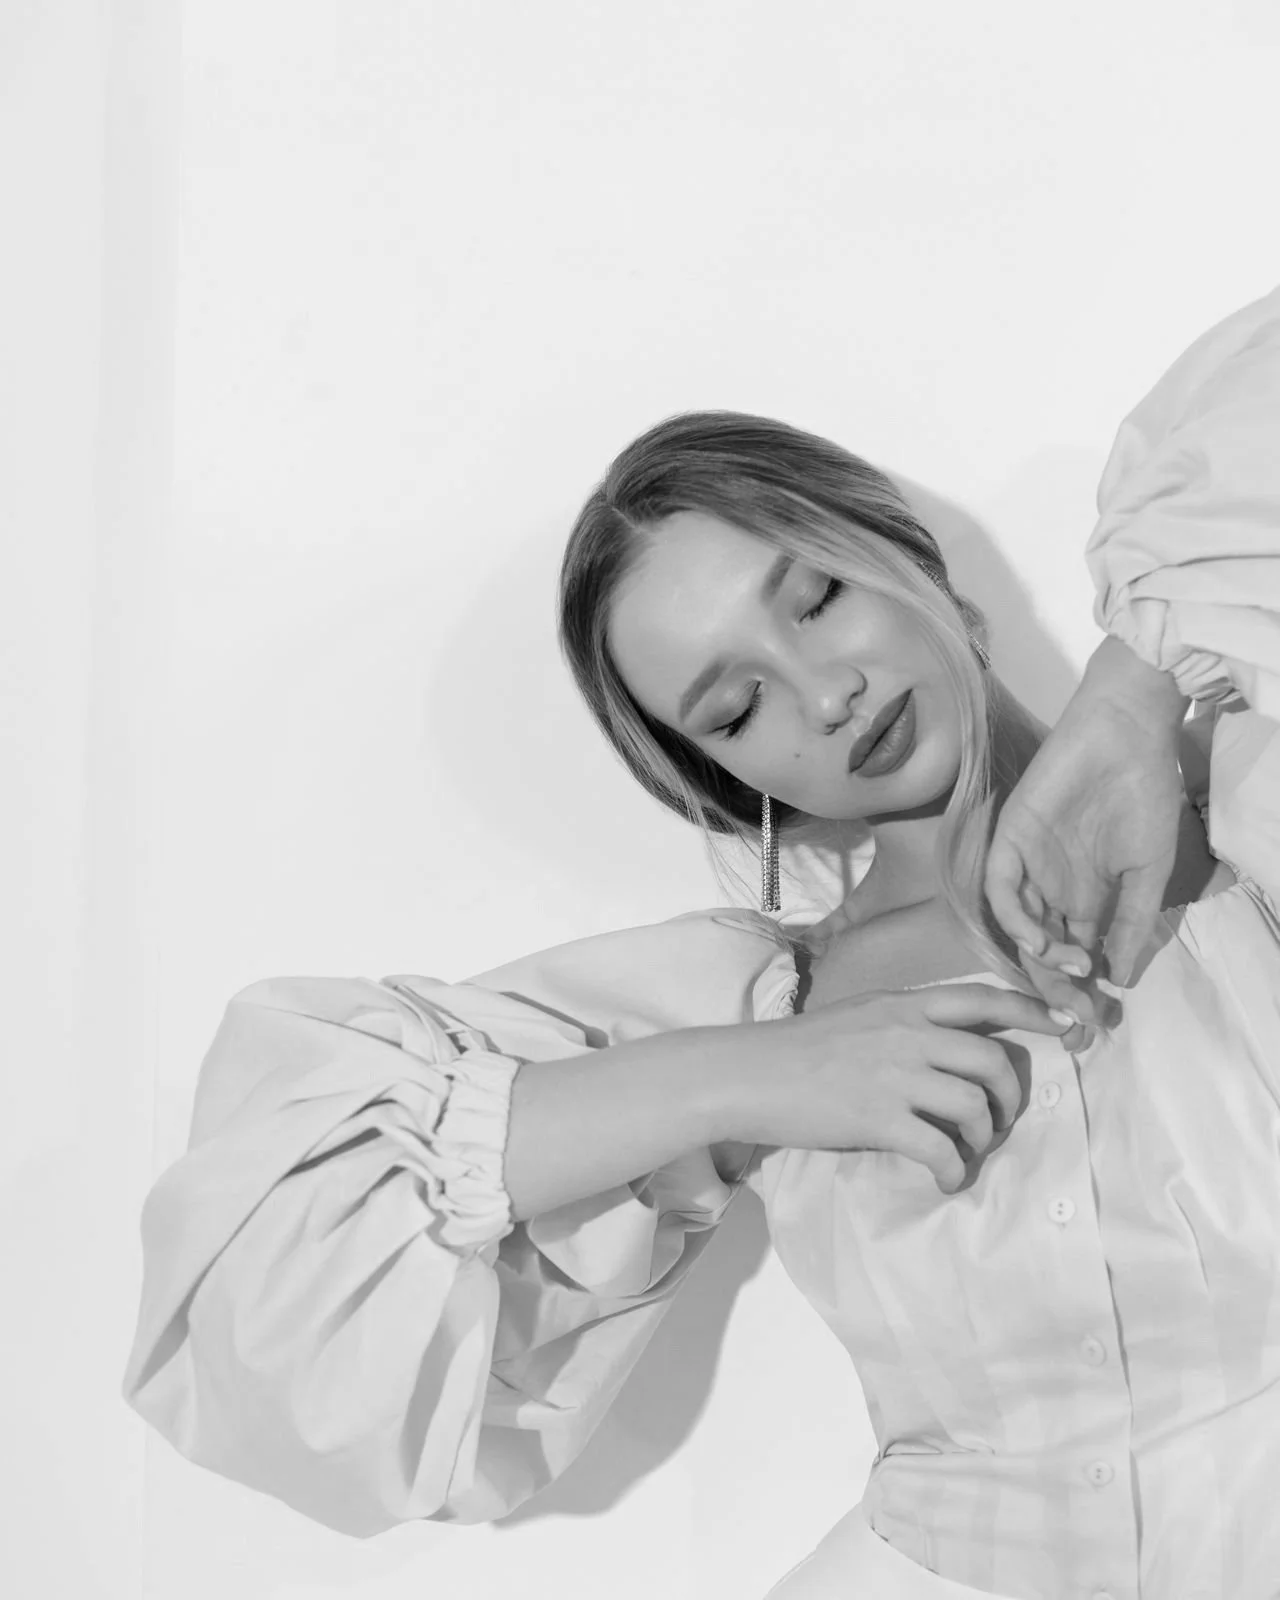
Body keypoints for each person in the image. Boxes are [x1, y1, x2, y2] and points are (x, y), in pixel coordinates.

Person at [122, 284, 1280, 1599]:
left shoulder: (1243, 818)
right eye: (736, 709)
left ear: (911, 555)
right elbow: (273, 1303)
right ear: (728, 779)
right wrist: (756, 1077)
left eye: (818, 597)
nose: (824, 695)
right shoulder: (762, 998)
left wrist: (1132, 696)